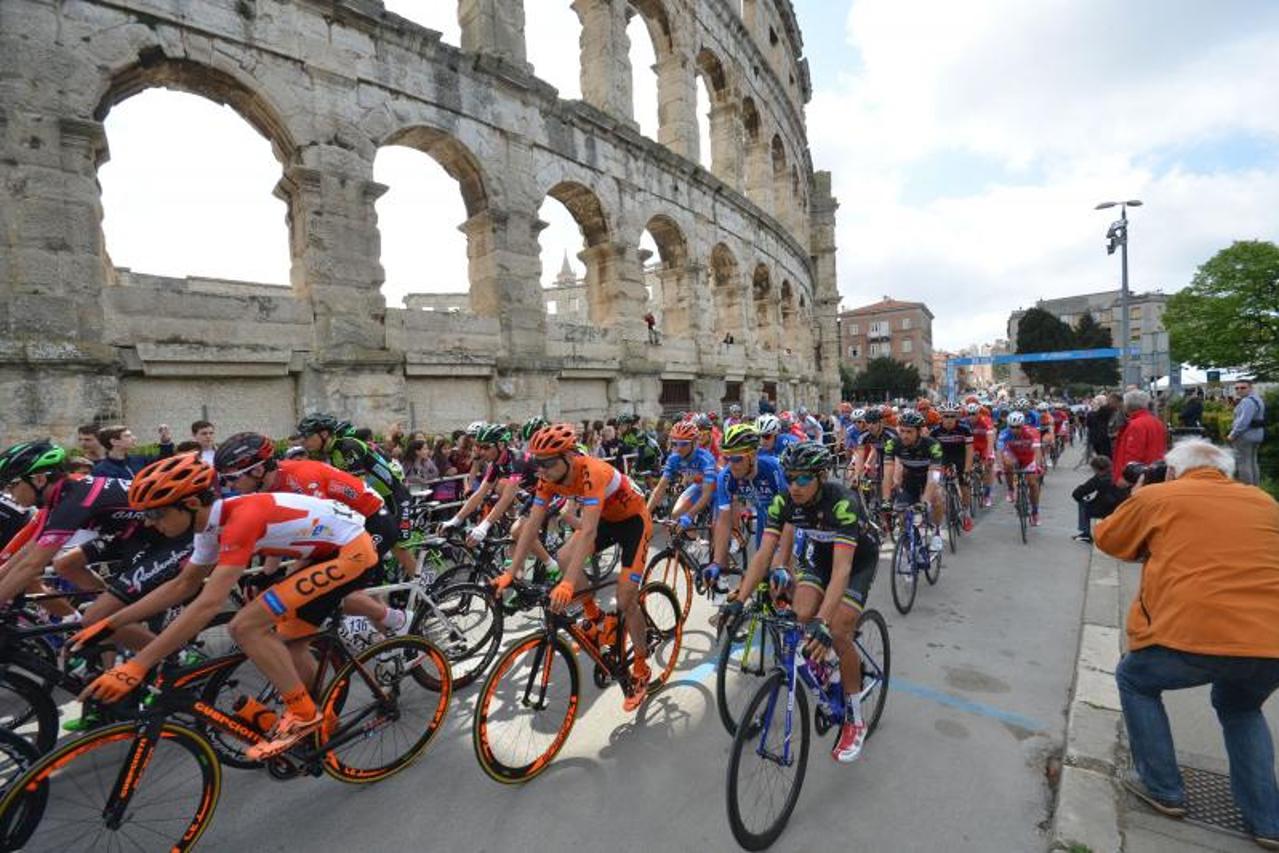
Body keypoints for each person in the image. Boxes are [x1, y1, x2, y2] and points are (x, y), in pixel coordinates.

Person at [74, 455, 381, 760]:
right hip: (324, 551)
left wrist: (138, 665)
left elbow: (209, 603)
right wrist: (112, 623)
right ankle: (323, 718)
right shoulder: (208, 526)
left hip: (350, 551)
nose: (149, 523)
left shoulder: (240, 520)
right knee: (289, 641)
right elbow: (184, 585)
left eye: (156, 514)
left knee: (246, 626)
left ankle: (304, 716)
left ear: (192, 504)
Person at [1094, 439, 1279, 849]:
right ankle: (1268, 819)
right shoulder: (1264, 502)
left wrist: (1138, 496)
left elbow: (1108, 539)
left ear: (1174, 471)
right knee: (1241, 707)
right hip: (1270, 643)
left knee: (1135, 679)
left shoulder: (1160, 495)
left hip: (1191, 634)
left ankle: (1163, 787)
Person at [724, 440, 881, 763]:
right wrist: (740, 598)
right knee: (799, 614)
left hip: (855, 561)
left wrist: (823, 623)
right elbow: (762, 556)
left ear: (821, 476)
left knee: (837, 630)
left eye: (803, 479)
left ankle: (855, 718)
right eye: (790, 477)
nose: (794, 486)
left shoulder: (842, 503)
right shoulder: (785, 503)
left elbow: (842, 571)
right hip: (819, 558)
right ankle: (827, 670)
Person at [495, 424, 653, 711]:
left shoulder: (593, 470)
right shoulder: (548, 478)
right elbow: (531, 527)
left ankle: (641, 666)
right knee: (564, 556)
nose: (540, 470)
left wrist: (568, 583)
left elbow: (588, 532)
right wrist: (511, 572)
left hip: (633, 522)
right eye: (536, 463)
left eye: (546, 464)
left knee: (626, 596)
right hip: (606, 519)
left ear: (568, 456)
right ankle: (595, 618)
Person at [1111, 390, 1167, 485]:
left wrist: (1125, 477)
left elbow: (1133, 453)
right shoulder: (1156, 422)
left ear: (1128, 405)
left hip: (1138, 477)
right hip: (1153, 471)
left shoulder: (1135, 425)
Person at [1070, 456, 1123, 544]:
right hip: (1118, 507)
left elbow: (1078, 493)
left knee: (1084, 504)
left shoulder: (1099, 479)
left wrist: (1080, 496)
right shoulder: (1116, 474)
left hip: (1104, 508)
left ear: (1096, 469)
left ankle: (1086, 534)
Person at [91, 424, 175, 479]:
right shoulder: (100, 470)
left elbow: (164, 464)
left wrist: (165, 443)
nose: (134, 438)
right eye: (127, 436)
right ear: (114, 442)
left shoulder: (141, 460)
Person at [1229, 379, 1266, 486]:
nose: (1239, 390)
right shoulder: (1258, 400)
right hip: (1257, 434)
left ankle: (1248, 490)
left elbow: (1243, 421)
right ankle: (1255, 488)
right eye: (1236, 388)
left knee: (1243, 463)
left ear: (1250, 388)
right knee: (1252, 462)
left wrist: (1233, 434)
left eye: (1243, 387)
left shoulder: (1246, 401)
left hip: (1245, 436)